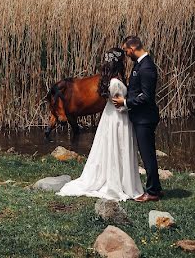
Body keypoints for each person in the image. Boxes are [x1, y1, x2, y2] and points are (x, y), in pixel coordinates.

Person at [57, 48, 144, 201]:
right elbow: (120, 105)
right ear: (119, 64)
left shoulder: (108, 80)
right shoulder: (116, 82)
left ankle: (118, 179)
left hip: (110, 117)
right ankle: (121, 183)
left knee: (111, 148)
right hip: (118, 119)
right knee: (118, 147)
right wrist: (131, 103)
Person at [112, 35, 161, 201]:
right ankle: (156, 188)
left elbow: (146, 96)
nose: (126, 54)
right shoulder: (139, 65)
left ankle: (152, 192)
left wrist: (124, 101)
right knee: (148, 154)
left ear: (132, 48)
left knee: (147, 155)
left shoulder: (146, 67)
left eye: (126, 51)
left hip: (145, 118)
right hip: (141, 117)